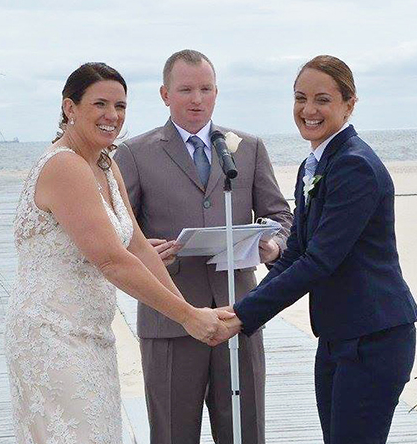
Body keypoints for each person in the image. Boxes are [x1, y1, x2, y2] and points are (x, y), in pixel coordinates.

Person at [4, 62, 233, 444]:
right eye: (100, 104)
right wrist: (188, 317)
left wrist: (188, 313)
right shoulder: (64, 166)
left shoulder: (105, 164)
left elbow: (137, 245)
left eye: (121, 106)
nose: (112, 116)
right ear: (69, 108)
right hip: (51, 333)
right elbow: (112, 261)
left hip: (92, 333)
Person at [218, 55, 417, 444]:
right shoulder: (314, 165)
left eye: (322, 99)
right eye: (300, 98)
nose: (308, 110)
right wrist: (240, 308)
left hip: (374, 336)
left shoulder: (354, 166)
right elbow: (295, 251)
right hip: (337, 335)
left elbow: (320, 260)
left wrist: (241, 317)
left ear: (349, 104)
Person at [113, 50, 293, 444]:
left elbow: (281, 216)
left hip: (238, 316)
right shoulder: (134, 153)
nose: (197, 99)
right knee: (173, 434)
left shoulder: (248, 147)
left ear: (216, 92)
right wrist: (144, 251)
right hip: (171, 321)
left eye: (206, 89)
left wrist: (273, 245)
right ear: (165, 94)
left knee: (246, 434)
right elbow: (119, 230)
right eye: (186, 90)